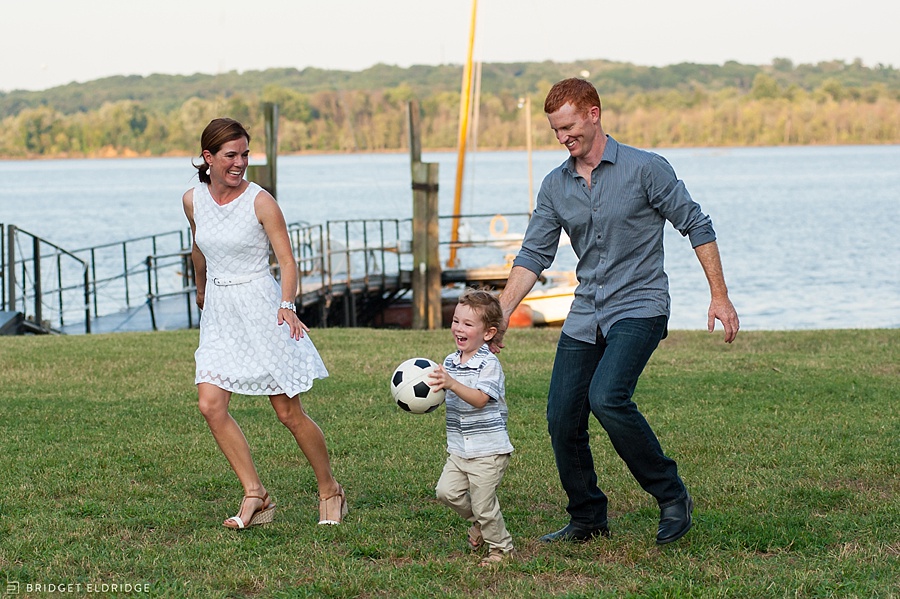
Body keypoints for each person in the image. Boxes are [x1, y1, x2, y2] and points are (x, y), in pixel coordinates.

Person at [492, 79, 740, 546]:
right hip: (587, 310)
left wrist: (719, 296)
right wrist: (503, 310)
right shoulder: (555, 185)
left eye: (568, 126)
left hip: (640, 304)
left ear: (594, 114)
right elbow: (534, 254)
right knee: (561, 415)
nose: (562, 137)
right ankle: (587, 518)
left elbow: (696, 225)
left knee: (607, 396)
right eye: (555, 130)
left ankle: (671, 495)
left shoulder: (646, 169)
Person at [182, 117, 347, 529]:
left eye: (245, 154)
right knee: (210, 405)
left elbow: (287, 261)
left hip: (262, 307)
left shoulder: (261, 202)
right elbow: (198, 247)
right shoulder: (192, 200)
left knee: (288, 412)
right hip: (220, 311)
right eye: (231, 155)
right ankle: (256, 493)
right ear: (208, 157)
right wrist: (201, 289)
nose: (240, 163)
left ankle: (330, 489)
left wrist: (287, 304)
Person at [430, 288, 515, 566]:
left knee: (484, 505)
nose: (458, 328)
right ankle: (479, 523)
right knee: (446, 493)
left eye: (468, 324)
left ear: (488, 333)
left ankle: (501, 549)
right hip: (459, 449)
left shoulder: (489, 364)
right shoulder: (450, 361)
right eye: (456, 321)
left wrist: (452, 384)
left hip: (488, 451)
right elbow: (444, 393)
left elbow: (479, 399)